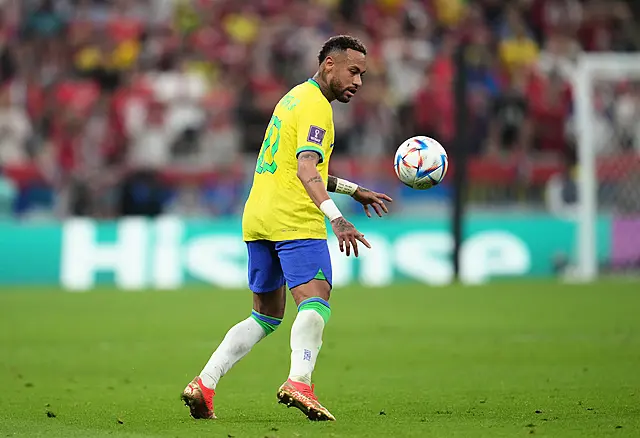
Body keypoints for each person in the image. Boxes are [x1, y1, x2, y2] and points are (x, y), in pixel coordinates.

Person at [181, 35, 392, 422]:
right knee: (315, 301)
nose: (358, 82)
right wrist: (338, 218)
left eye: (362, 74)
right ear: (329, 64)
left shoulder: (294, 97)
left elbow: (300, 165)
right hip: (293, 220)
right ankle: (299, 382)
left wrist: (353, 189)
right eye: (353, 71)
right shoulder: (317, 109)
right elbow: (307, 169)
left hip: (258, 216)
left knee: (265, 314)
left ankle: (205, 384)